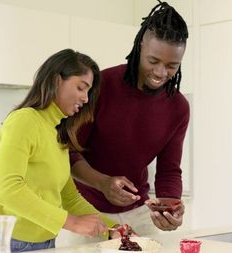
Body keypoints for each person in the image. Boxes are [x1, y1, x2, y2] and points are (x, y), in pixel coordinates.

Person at [63, 0, 190, 244]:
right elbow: (70, 153)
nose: (161, 73)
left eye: (172, 66)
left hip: (138, 211)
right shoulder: (101, 86)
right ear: (141, 45)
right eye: (154, 61)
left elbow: (169, 170)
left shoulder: (178, 107)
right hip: (85, 208)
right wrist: (103, 183)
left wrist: (170, 205)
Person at [0, 49, 122, 253]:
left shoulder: (57, 132)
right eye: (81, 88)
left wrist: (114, 228)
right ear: (56, 81)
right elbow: (8, 189)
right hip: (8, 245)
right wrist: (72, 222)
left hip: (45, 245)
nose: (86, 99)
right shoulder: (24, 120)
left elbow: (69, 198)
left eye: (88, 91)